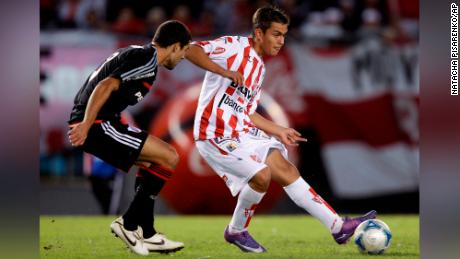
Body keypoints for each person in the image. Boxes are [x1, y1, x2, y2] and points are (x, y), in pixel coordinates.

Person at [185, 5, 376, 253]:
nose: (281, 41)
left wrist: (278, 130)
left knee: (285, 169)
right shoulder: (234, 46)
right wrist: (224, 71)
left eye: (284, 35)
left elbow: (247, 111)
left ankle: (338, 227)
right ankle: (236, 231)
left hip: (242, 131)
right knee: (262, 176)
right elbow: (191, 50)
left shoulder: (260, 68)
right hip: (215, 134)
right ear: (259, 33)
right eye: (276, 34)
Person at [68, 20, 191, 256]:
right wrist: (85, 123)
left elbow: (100, 82)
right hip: (98, 124)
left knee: (152, 163)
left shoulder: (139, 54)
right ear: (175, 46)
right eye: (185, 50)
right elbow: (105, 85)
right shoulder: (147, 60)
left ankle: (148, 233)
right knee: (170, 156)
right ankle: (128, 223)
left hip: (103, 121)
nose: (184, 57)